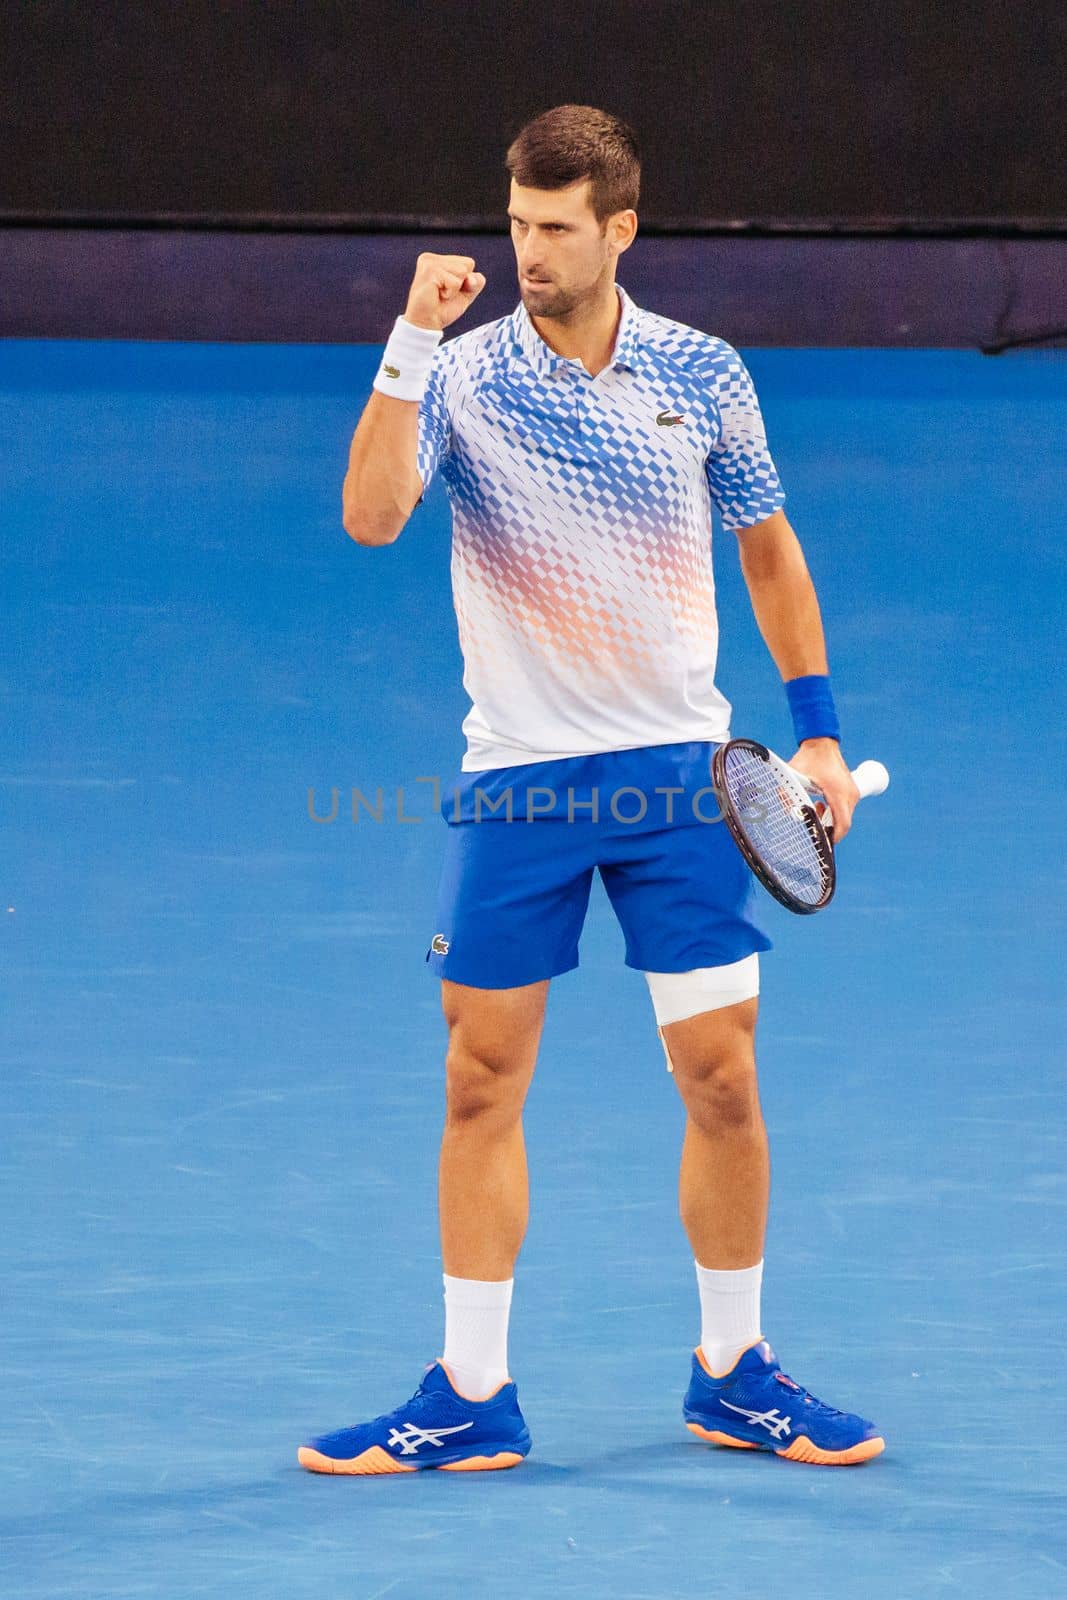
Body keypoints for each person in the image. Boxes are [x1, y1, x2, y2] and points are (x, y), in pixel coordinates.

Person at [298, 104, 884, 1475]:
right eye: (516, 224)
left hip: (681, 777)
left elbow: (771, 553)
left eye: (557, 228)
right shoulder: (462, 373)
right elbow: (372, 517)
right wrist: (408, 348)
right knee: (479, 1078)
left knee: (723, 1079)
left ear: (620, 228)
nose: (529, 252)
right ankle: (470, 1392)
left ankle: (735, 1369)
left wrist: (813, 735)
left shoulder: (702, 370)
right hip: (522, 781)